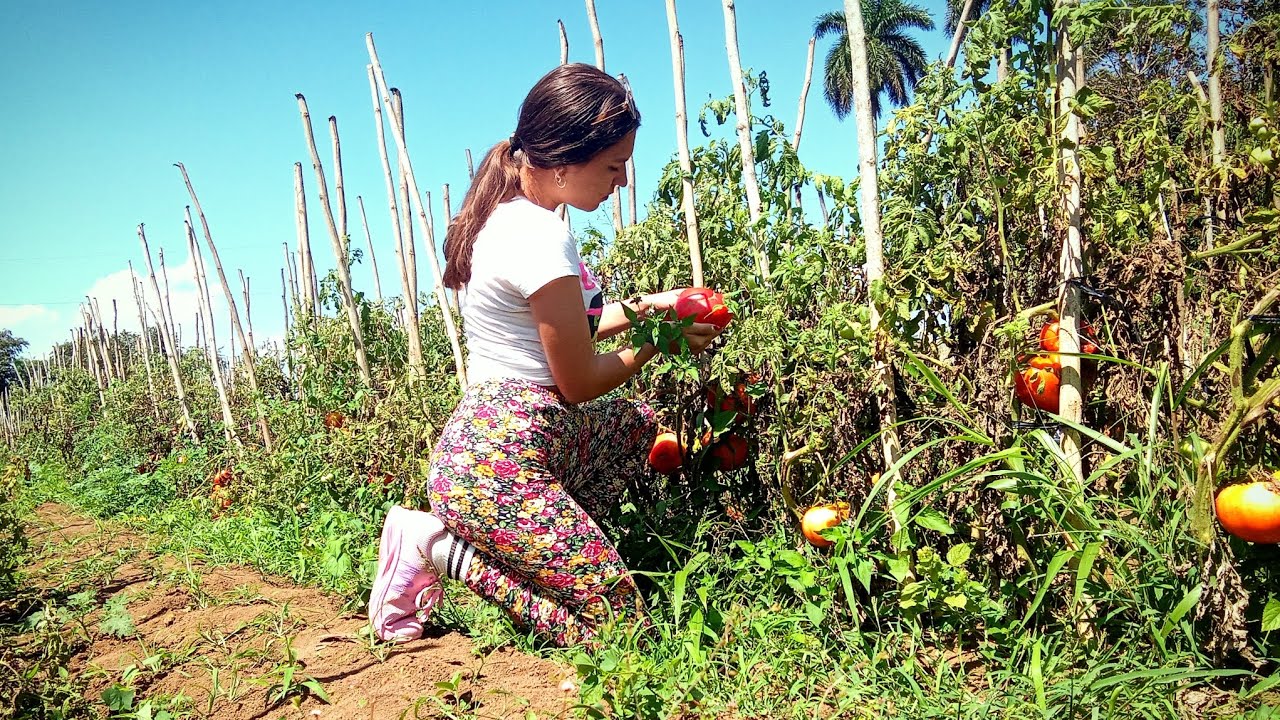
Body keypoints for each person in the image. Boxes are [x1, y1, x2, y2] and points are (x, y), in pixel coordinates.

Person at [368, 63, 723, 647]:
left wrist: (654, 307)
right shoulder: (538, 235)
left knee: (640, 428)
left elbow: (569, 325)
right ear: (564, 159)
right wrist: (662, 342)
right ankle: (440, 548)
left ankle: (563, 547)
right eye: (613, 166)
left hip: (515, 433)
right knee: (621, 634)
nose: (623, 181)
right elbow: (580, 378)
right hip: (498, 458)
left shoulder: (517, 219)